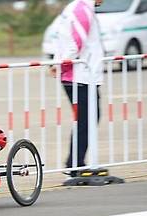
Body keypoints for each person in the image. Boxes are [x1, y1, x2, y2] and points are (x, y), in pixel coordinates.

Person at [51, 0, 104, 177]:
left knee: (86, 119)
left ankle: (76, 162)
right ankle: (75, 164)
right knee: (86, 119)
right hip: (80, 75)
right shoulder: (82, 9)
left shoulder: (76, 7)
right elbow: (76, 42)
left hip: (81, 75)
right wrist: (63, 63)